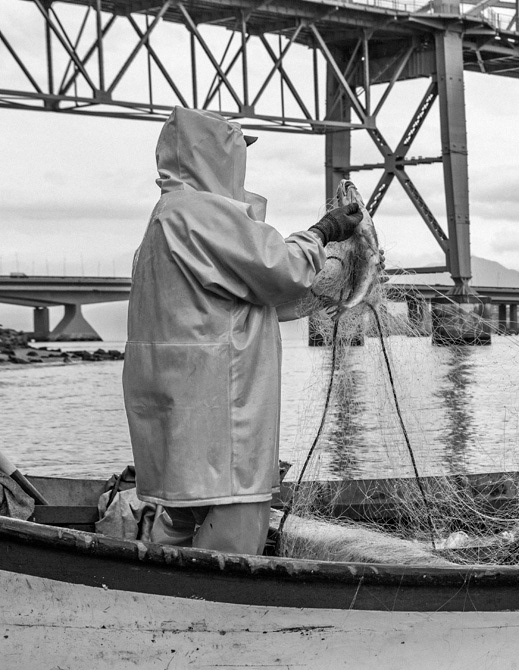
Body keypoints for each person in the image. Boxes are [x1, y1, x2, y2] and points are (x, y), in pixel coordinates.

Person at [123, 107, 362, 555]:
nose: (242, 163)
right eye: (238, 151)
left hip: (178, 408)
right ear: (214, 154)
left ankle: (153, 587)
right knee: (238, 521)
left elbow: (248, 301)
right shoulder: (198, 210)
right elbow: (281, 268)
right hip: (218, 407)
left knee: (182, 515)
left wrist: (322, 293)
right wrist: (324, 231)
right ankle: (202, 597)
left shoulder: (165, 217)